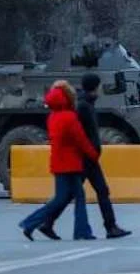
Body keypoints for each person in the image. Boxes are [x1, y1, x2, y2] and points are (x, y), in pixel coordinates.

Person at [19, 80, 100, 241]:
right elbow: (81, 140)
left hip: (58, 162)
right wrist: (93, 154)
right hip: (71, 164)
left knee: (64, 197)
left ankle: (79, 230)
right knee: (70, 198)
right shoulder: (70, 117)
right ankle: (31, 223)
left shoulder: (53, 117)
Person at [75, 72, 131, 239]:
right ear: (95, 87)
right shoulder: (84, 106)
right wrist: (90, 150)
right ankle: (45, 221)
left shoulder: (87, 104)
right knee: (72, 193)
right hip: (87, 157)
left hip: (90, 156)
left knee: (101, 190)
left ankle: (111, 226)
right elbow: (81, 133)